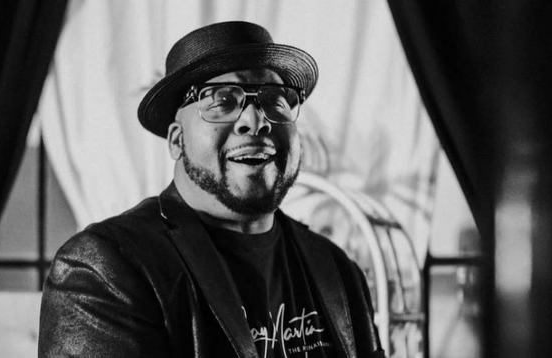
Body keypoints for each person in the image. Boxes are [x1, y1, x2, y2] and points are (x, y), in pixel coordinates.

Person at [38, 21, 385, 358]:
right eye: (222, 100)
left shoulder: (337, 269)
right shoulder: (103, 270)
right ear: (177, 140)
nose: (256, 119)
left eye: (275, 99)